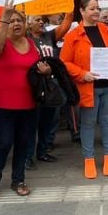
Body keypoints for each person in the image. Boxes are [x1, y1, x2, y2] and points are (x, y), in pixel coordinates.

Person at [0, 1, 50, 201]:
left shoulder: (31, 44)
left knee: (23, 142)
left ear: (25, 24)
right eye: (12, 21)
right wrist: (4, 17)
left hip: (28, 103)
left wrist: (46, 71)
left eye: (19, 20)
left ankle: (18, 180)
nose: (16, 24)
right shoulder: (0, 42)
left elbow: (36, 69)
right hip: (2, 104)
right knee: (4, 143)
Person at [61, 0, 108, 178]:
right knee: (87, 124)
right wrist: (82, 74)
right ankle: (89, 159)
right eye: (92, 8)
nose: (96, 12)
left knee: (107, 122)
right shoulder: (73, 35)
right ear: (82, 11)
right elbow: (64, 62)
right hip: (87, 87)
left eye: (98, 8)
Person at [26, 12, 72, 167]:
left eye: (42, 20)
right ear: (29, 23)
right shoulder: (25, 39)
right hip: (34, 87)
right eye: (37, 20)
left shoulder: (49, 36)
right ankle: (27, 157)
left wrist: (69, 7)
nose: (41, 22)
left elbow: (65, 26)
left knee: (49, 120)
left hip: (51, 85)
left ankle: (43, 151)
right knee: (32, 123)